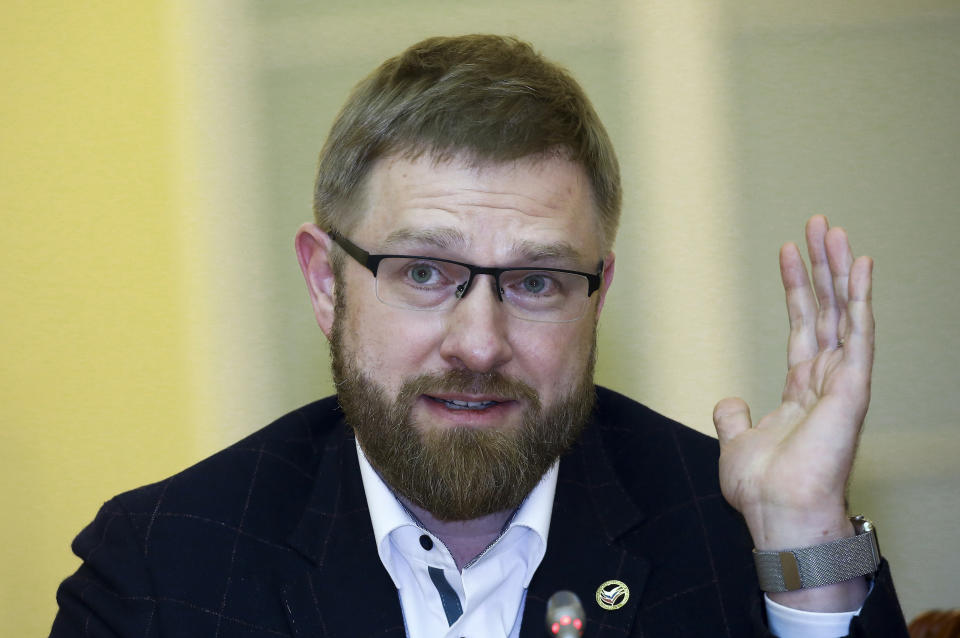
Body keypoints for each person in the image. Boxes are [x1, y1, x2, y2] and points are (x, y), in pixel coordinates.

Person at [51, 35, 908, 637]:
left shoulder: (729, 538)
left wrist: (804, 541)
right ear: (325, 281)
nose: (479, 342)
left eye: (535, 282)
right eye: (425, 272)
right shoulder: (168, 565)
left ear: (598, 296)